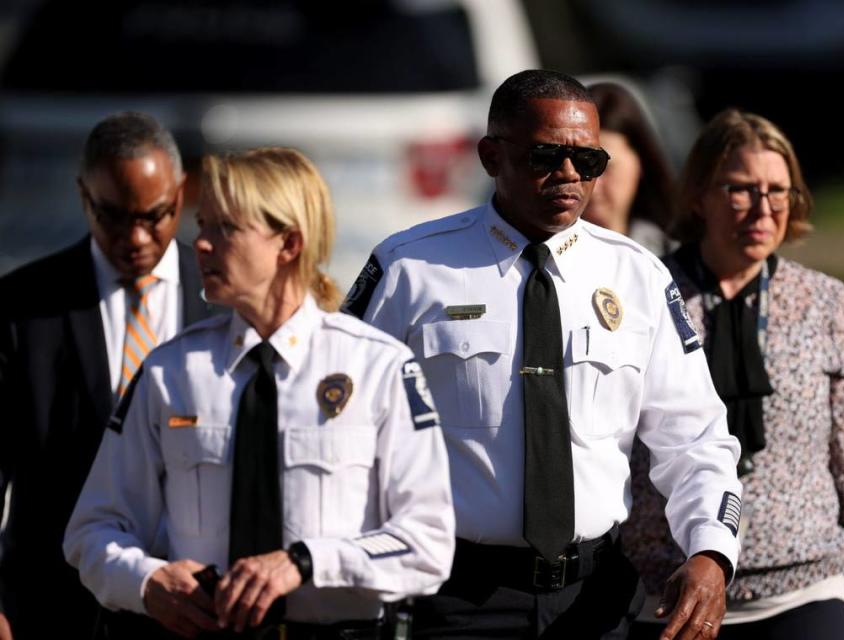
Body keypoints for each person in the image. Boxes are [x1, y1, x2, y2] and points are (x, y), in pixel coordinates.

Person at [341, 69, 742, 640]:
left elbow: (696, 438)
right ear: (490, 156)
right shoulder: (410, 268)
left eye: (589, 161)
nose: (570, 175)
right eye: (545, 157)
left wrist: (710, 551)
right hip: (454, 596)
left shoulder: (639, 277)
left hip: (597, 599)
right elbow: (341, 421)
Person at [64, 147, 455, 639]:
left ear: (288, 242)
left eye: (224, 229)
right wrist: (147, 581)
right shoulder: (171, 370)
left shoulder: (379, 367)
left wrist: (307, 562)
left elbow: (428, 545)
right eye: (202, 225)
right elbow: (92, 531)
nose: (199, 244)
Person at [623, 109, 844, 640]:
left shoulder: (823, 302)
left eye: (779, 191)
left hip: (804, 589)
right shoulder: (649, 294)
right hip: (668, 597)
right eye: (741, 189)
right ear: (698, 195)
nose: (763, 208)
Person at [0, 112, 214, 640]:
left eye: (156, 215)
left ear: (181, 194)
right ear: (83, 198)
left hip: (191, 605)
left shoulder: (221, 303)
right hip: (52, 602)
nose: (136, 236)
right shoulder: (23, 307)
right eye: (113, 216)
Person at [581, 82, 676, 256]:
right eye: (581, 166)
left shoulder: (678, 256)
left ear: (640, 161)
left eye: (605, 167)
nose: (592, 185)